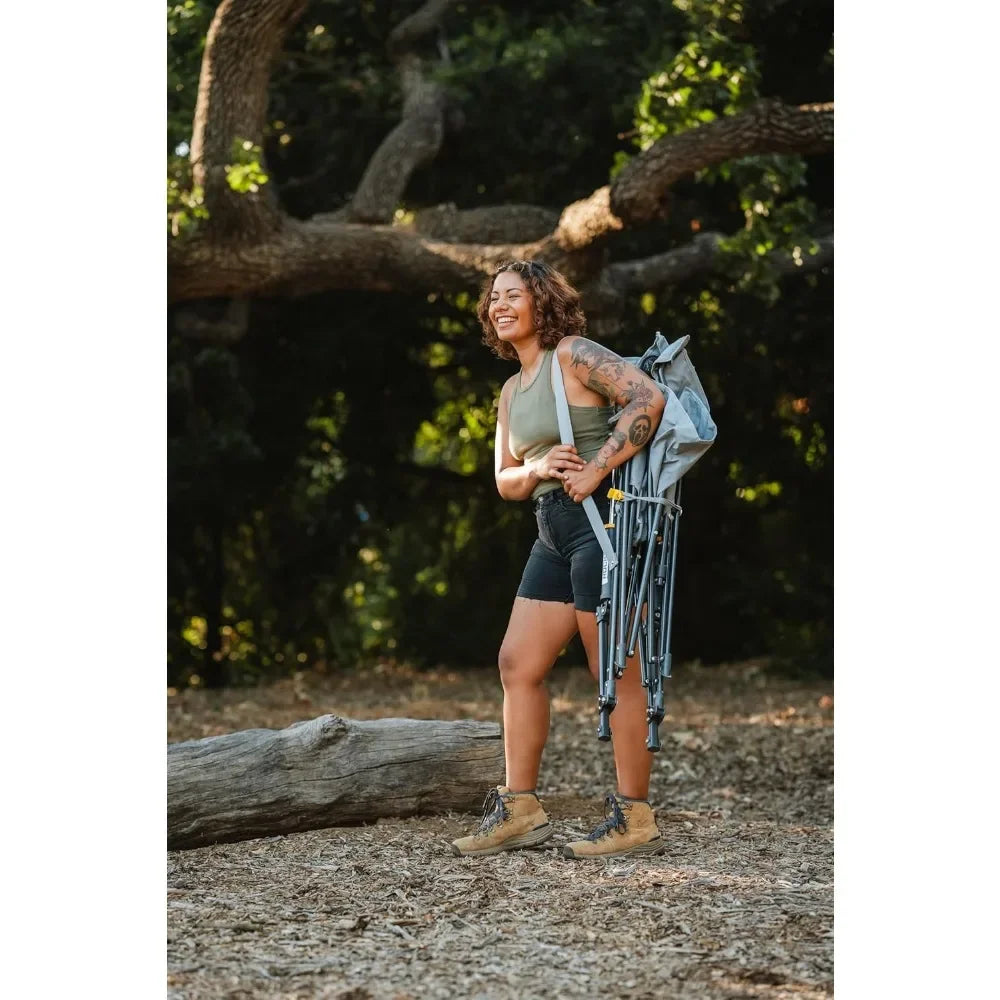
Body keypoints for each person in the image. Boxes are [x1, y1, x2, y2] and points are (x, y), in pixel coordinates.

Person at [450, 259, 667, 860]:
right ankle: (521, 808)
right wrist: (539, 467)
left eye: (513, 295)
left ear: (541, 302)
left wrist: (598, 467)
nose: (499, 305)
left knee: (615, 669)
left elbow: (648, 397)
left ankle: (635, 817)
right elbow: (503, 479)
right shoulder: (509, 391)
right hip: (552, 530)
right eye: (494, 298)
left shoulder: (572, 354)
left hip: (604, 522)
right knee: (517, 663)